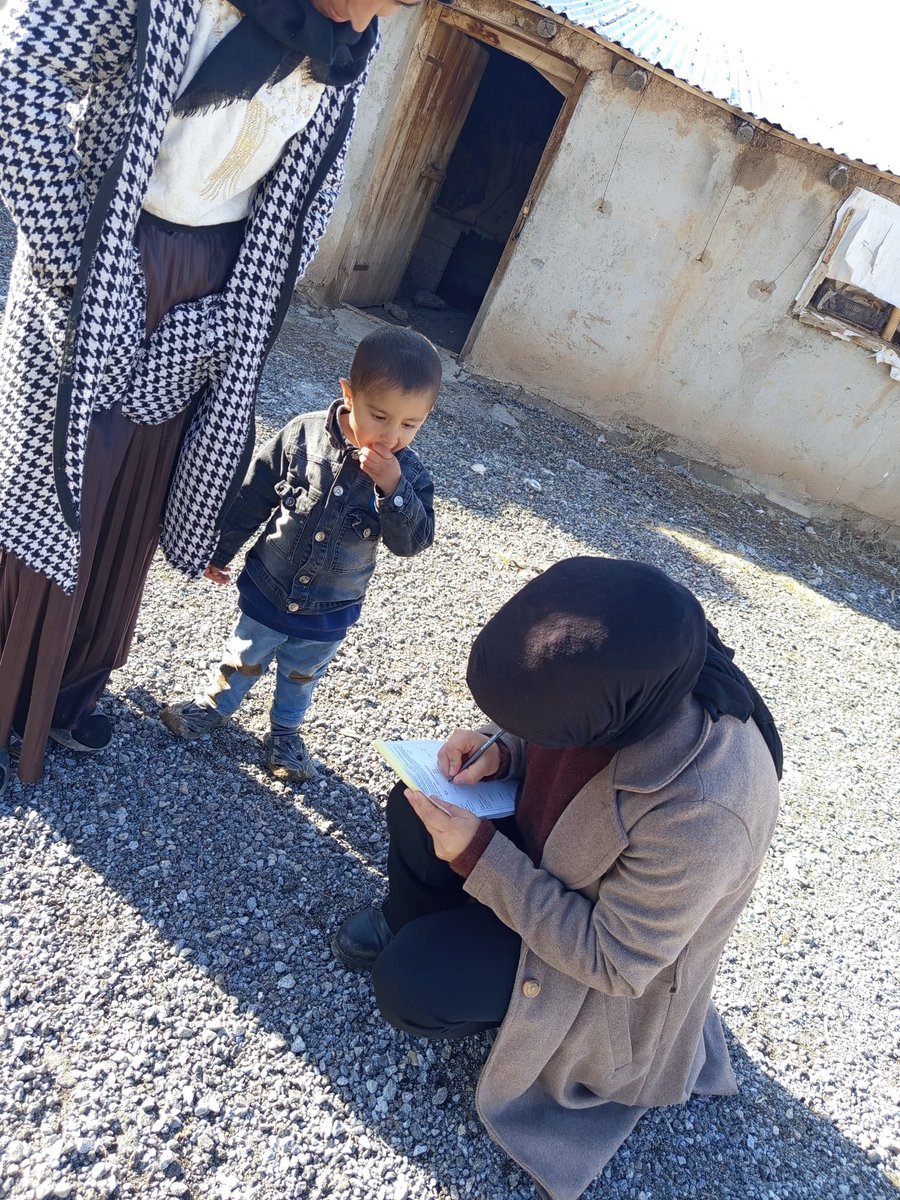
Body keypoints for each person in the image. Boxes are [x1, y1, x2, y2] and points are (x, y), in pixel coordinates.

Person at [0, 0, 421, 797]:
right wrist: (78, 258)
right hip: (95, 249)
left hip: (209, 289)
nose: (372, 17)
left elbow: (311, 195)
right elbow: (19, 77)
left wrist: (234, 311)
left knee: (132, 495)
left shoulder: (343, 45)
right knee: (51, 486)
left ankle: (69, 690)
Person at [333, 557, 783, 1200]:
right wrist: (499, 747)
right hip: (554, 858)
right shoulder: (631, 669)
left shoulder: (708, 807)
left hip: (596, 962)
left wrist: (481, 857)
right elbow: (554, 722)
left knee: (411, 984)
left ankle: (485, 987)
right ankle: (420, 919)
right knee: (416, 806)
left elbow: (617, 961)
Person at [160, 325, 439, 781]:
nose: (391, 436)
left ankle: (285, 735)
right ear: (349, 395)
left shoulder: (409, 476)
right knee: (244, 652)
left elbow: (411, 543)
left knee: (301, 675)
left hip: (332, 605)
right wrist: (221, 550)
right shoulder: (303, 436)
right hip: (269, 585)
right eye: (380, 416)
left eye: (410, 424)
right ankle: (211, 708)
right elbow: (253, 495)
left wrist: (394, 490)